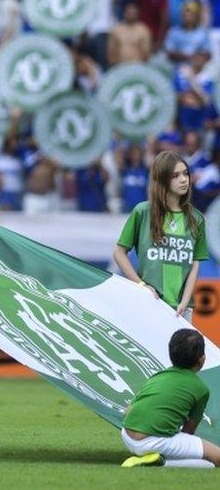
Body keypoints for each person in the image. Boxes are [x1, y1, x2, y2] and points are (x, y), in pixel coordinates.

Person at [113, 152, 209, 323]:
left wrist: (186, 301)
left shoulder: (197, 218)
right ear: (162, 179)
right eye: (176, 175)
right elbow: (119, 253)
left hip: (183, 309)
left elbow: (195, 264)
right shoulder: (142, 212)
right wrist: (141, 286)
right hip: (149, 304)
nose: (183, 179)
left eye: (186, 173)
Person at [121, 329, 219, 468]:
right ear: (202, 359)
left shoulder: (158, 375)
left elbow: (128, 410)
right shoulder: (201, 388)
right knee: (215, 458)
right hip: (152, 441)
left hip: (127, 435)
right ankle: (161, 462)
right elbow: (188, 432)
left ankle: (156, 456)